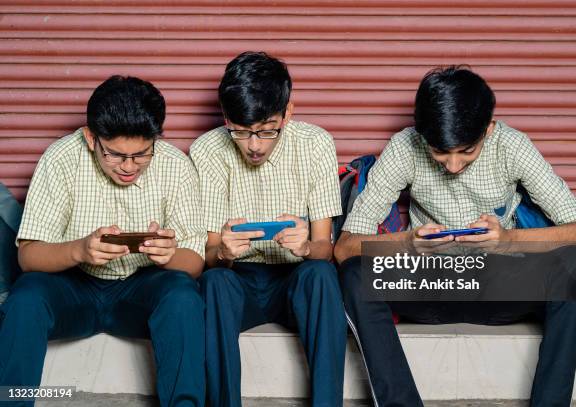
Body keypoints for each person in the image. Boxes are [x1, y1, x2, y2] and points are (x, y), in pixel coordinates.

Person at [334, 66, 576, 407]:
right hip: (429, 286)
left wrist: (507, 241)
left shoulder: (512, 145)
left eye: (466, 152)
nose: (453, 166)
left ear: (488, 129)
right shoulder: (405, 146)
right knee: (354, 275)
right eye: (440, 153)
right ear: (422, 134)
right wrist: (408, 243)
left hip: (500, 285)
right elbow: (345, 247)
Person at [0, 76, 206, 407]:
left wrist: (168, 256)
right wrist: (79, 250)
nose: (129, 167)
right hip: (73, 290)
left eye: (142, 154)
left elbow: (194, 261)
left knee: (183, 296)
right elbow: (28, 256)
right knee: (26, 298)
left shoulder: (176, 166)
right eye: (116, 155)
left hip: (139, 293)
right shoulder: (61, 159)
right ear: (91, 137)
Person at [190, 51, 346, 407]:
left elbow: (325, 247)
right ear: (226, 118)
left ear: (288, 113)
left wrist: (306, 247)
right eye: (241, 132)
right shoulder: (207, 150)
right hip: (238, 282)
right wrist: (223, 254)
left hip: (295, 280)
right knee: (213, 281)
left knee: (321, 275)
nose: (254, 145)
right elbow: (210, 256)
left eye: (266, 130)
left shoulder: (316, 144)